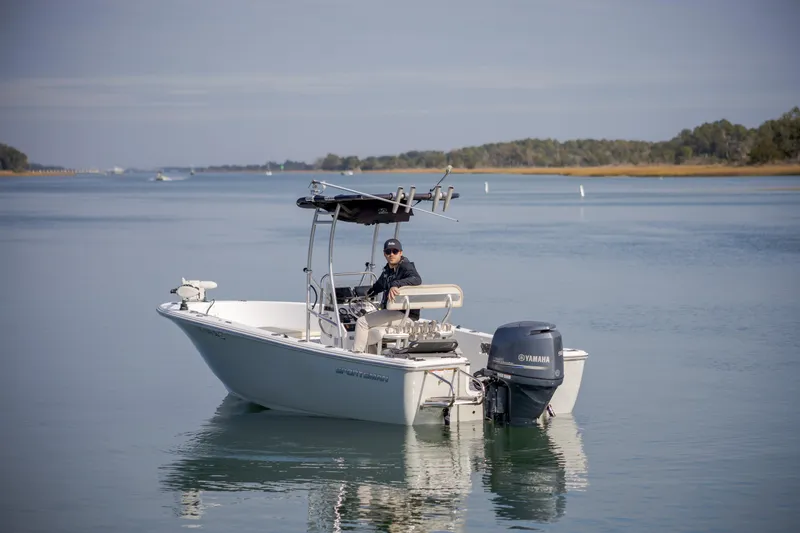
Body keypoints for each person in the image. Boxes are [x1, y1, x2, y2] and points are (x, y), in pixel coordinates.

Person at [352, 238, 421, 353]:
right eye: (388, 252)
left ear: (401, 253)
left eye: (395, 251)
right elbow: (378, 286)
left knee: (361, 322)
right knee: (368, 330)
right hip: (395, 314)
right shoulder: (388, 271)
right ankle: (373, 359)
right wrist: (365, 294)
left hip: (405, 315)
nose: (391, 254)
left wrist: (396, 285)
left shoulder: (406, 267)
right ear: (384, 254)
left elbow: (416, 279)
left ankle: (356, 355)